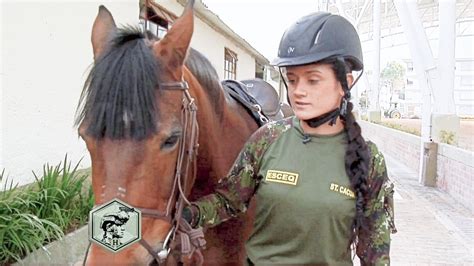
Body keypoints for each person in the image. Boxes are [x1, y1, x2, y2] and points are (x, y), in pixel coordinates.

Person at [183, 11, 396, 265]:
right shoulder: (267, 139)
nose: (298, 92)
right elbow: (228, 201)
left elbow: (375, 250)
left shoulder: (368, 160)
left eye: (312, 80)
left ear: (345, 83)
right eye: (292, 80)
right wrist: (185, 214)